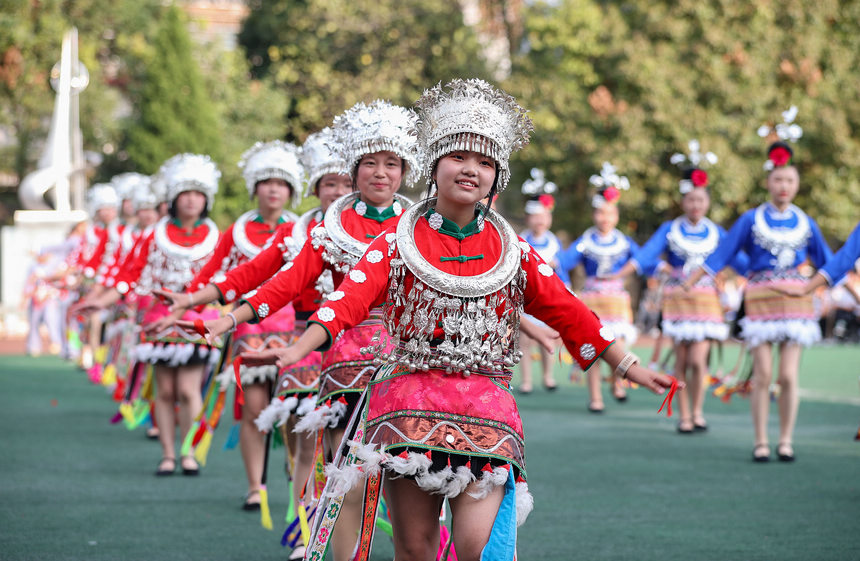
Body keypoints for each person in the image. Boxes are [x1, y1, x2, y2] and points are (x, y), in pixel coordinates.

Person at [205, 79, 676, 561]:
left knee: (474, 547)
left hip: (487, 406)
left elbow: (568, 309)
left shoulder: (513, 250)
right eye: (459, 157)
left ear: (497, 177)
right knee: (415, 547)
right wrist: (296, 348)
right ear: (434, 166)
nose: (471, 169)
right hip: (408, 399)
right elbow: (344, 302)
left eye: (486, 162)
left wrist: (627, 365)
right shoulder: (394, 242)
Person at [183, 101, 418, 561]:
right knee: (345, 472)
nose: (380, 173)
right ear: (353, 171)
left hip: (407, 363)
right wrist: (228, 316)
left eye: (391, 164)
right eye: (369, 163)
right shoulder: (327, 229)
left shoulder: (421, 223)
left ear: (405, 171)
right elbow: (283, 280)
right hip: (339, 353)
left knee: (406, 483)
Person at [157, 141, 303, 512]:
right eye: (267, 181)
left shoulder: (303, 231)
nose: (274, 189)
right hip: (248, 330)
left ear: (292, 191)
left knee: (294, 412)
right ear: (255, 188)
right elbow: (215, 275)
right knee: (254, 409)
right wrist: (186, 304)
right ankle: (256, 486)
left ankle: (297, 483)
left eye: (282, 183)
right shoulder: (236, 232)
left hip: (297, 332)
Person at [684, 111, 832, 462]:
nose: (784, 186)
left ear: (796, 184)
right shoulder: (751, 218)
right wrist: (693, 278)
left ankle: (785, 440)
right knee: (764, 374)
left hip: (795, 303)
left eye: (790, 181)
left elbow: (827, 260)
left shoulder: (805, 222)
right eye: (778, 179)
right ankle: (761, 440)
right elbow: (724, 251)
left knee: (789, 375)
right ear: (769, 181)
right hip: (761, 302)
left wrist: (824, 287)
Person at [75, 154, 223, 476]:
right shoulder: (153, 235)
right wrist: (100, 302)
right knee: (165, 391)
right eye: (185, 193)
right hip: (158, 320)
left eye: (198, 193)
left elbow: (232, 278)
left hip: (198, 320)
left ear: (207, 199)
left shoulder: (216, 237)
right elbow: (130, 276)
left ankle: (189, 450)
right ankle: (169, 454)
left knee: (188, 389)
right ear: (172, 198)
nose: (192, 200)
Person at [615, 142, 747, 433]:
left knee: (699, 360)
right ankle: (685, 416)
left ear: (707, 201)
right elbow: (647, 255)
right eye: (690, 200)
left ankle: (698, 411)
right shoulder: (671, 229)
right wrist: (624, 273)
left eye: (700, 200)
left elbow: (738, 259)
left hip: (707, 302)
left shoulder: (717, 232)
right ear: (683, 201)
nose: (695, 205)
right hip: (678, 300)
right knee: (683, 359)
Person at [555, 162, 641, 412]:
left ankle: (617, 382)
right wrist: (554, 261)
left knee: (619, 345)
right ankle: (595, 397)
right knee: (593, 346)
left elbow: (643, 259)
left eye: (610, 214)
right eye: (601, 213)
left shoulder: (623, 242)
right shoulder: (586, 241)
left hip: (617, 299)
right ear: (594, 214)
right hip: (593, 297)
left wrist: (659, 267)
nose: (605, 218)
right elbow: (568, 258)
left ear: (617, 215)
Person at [517, 168, 561, 393]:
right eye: (536, 216)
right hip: (526, 298)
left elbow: (563, 273)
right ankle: (526, 380)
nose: (540, 221)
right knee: (524, 341)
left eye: (544, 216)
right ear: (528, 218)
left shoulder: (555, 244)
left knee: (548, 340)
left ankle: (548, 376)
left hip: (548, 297)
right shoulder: (521, 241)